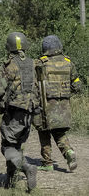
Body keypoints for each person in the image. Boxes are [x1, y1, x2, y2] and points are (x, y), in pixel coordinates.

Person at [0, 32, 39, 192]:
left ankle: (26, 167)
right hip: (30, 112)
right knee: (15, 146)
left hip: (14, 112)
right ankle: (9, 181)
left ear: (9, 47)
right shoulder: (33, 63)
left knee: (7, 147)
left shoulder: (9, 65)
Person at [33, 35, 80, 172]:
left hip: (45, 107)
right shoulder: (68, 63)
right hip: (63, 107)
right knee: (59, 133)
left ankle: (47, 163)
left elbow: (33, 84)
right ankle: (69, 152)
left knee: (44, 132)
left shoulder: (41, 63)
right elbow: (77, 85)